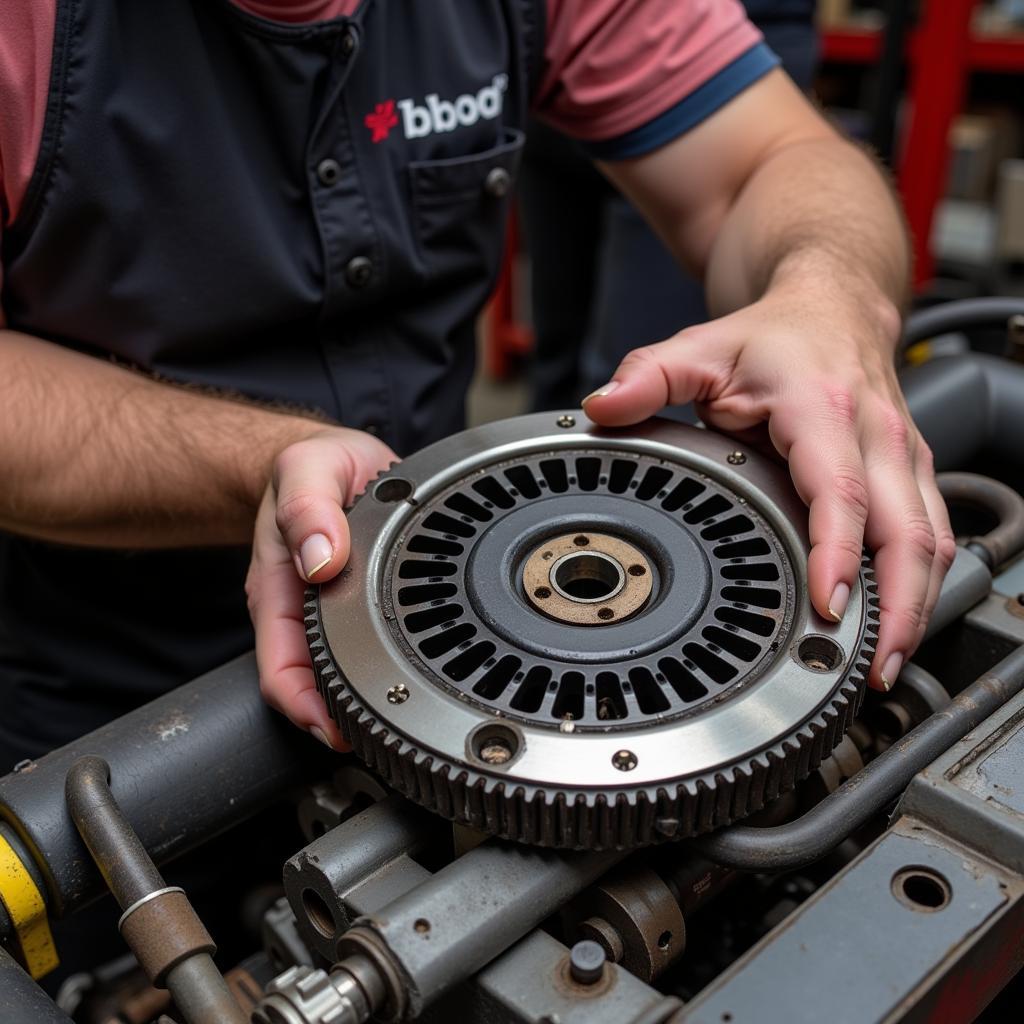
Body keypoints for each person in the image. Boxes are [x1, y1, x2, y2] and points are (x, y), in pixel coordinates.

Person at [0, 0, 954, 768]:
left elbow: (774, 158)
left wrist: (825, 297)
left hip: (446, 634)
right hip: (100, 697)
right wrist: (261, 461)